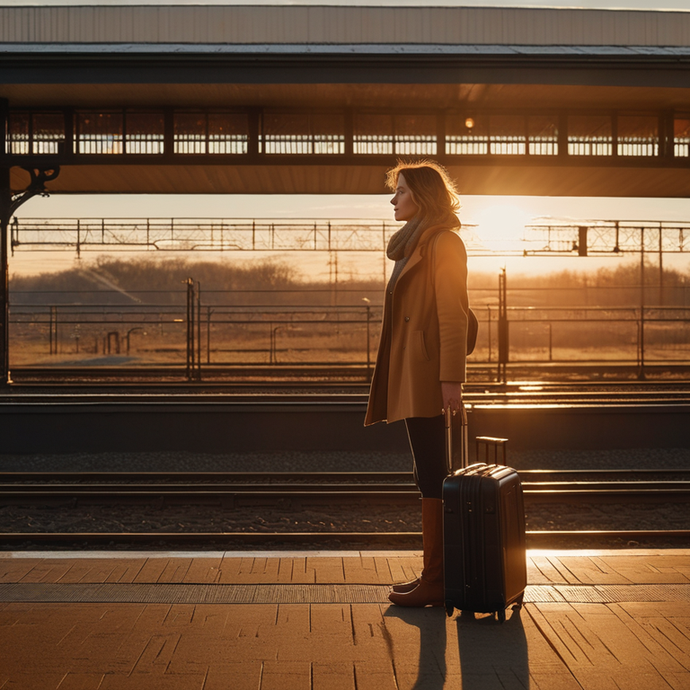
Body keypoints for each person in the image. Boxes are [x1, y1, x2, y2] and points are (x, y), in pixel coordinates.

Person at [365, 160, 470, 608]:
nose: (393, 199)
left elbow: (453, 313)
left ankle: (438, 578)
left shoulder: (443, 242)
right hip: (413, 371)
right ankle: (435, 574)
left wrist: (451, 380)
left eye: (401, 191)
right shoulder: (414, 244)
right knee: (426, 472)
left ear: (422, 197)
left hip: (428, 374)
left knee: (432, 472)